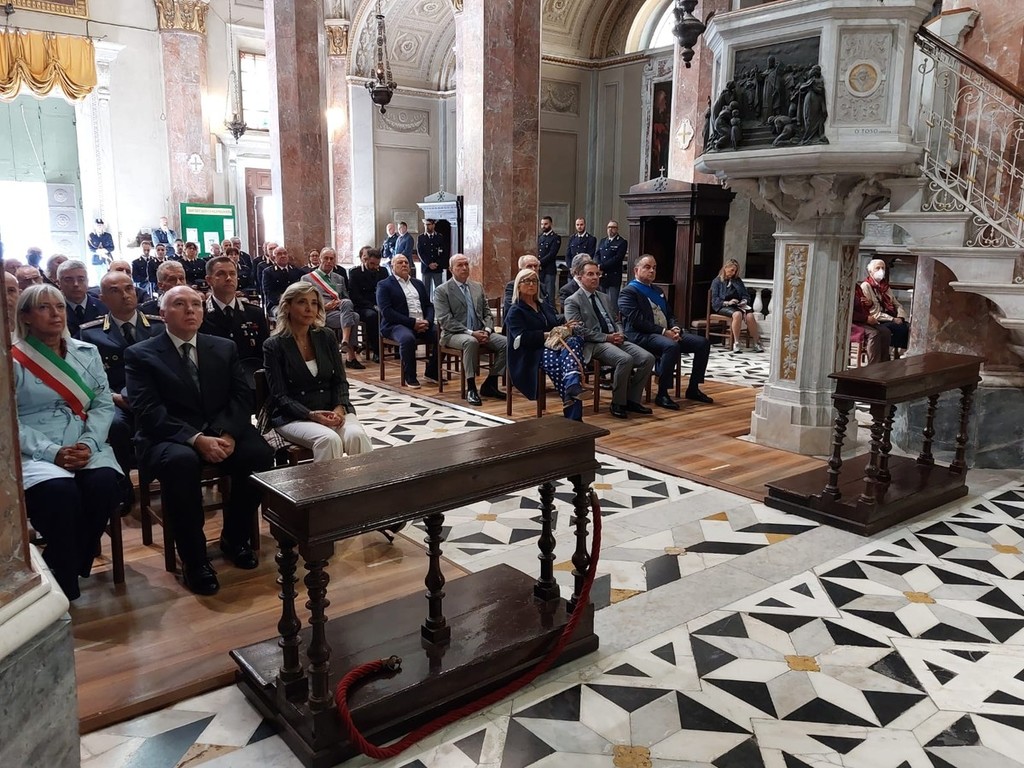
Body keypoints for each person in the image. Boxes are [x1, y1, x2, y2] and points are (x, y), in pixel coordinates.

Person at [125, 286, 275, 596]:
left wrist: (227, 433)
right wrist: (196, 439)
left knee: (259, 454)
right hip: (169, 434)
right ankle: (194, 559)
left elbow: (241, 396)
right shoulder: (141, 354)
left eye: (196, 304)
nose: (190, 310)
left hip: (220, 429)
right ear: (163, 314)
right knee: (181, 464)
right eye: (180, 304)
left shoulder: (223, 347)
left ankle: (235, 538)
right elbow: (149, 411)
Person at [13, 284, 123, 600]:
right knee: (60, 494)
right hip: (36, 448)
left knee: (104, 484)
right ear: (26, 316)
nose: (55, 314)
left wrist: (88, 444)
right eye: (44, 307)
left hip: (84, 440)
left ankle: (61, 567)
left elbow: (103, 403)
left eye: (59, 306)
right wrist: (52, 452)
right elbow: (9, 420)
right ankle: (68, 576)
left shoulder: (86, 352)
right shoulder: (12, 358)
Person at [262, 283, 372, 462]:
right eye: (302, 302)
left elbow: (340, 380)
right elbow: (280, 396)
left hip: (332, 408)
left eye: (314, 303)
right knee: (328, 440)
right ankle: (326, 482)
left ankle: (368, 481)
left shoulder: (326, 336)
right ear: (287, 306)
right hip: (294, 416)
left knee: (356, 436)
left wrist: (339, 407)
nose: (309, 308)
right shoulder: (274, 345)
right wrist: (311, 415)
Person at [80, 271, 165, 482]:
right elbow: (88, 377)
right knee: (115, 424)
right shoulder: (91, 333)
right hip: (116, 398)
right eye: (115, 291)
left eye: (129, 288)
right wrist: (113, 397)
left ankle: (169, 474)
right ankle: (123, 484)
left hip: (156, 396)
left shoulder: (158, 327)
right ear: (102, 298)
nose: (125, 295)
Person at [619, 255, 714, 409]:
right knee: (671, 346)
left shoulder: (657, 290)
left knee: (702, 343)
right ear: (636, 270)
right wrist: (664, 332)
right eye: (647, 267)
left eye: (654, 268)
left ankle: (693, 388)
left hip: (664, 334)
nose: (652, 271)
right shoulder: (628, 292)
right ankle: (662, 394)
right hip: (640, 336)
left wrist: (675, 328)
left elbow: (670, 315)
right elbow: (638, 321)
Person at [564, 259, 655, 420]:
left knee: (647, 358)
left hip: (615, 338)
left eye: (597, 274)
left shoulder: (604, 297)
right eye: (590, 274)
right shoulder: (572, 301)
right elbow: (578, 330)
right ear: (579, 276)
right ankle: (618, 403)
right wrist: (607, 337)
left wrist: (620, 333)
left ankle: (632, 400)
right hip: (594, 344)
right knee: (624, 359)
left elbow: (616, 320)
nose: (595, 278)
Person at [504, 268, 588, 421]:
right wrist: (548, 335)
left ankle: (572, 390)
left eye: (534, 281)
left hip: (552, 346)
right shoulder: (515, 310)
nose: (531, 284)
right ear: (518, 286)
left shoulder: (543, 305)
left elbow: (553, 322)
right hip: (530, 353)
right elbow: (522, 339)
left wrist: (566, 325)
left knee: (573, 343)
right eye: (527, 281)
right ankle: (574, 414)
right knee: (565, 366)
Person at [434, 254, 507, 406]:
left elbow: (487, 313)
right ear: (451, 269)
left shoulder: (477, 287)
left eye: (466, 264)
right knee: (471, 342)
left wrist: (487, 330)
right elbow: (446, 320)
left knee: (507, 343)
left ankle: (491, 383)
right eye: (460, 265)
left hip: (481, 331)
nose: (464, 268)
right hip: (454, 334)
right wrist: (471, 333)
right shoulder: (442, 290)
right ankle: (471, 388)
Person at [199, 255, 270, 390]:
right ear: (209, 280)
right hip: (213, 382)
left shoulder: (254, 313)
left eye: (232, 273)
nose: (228, 278)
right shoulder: (200, 314)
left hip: (249, 381)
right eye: (221, 274)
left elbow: (264, 353)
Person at [376, 254, 438, 389]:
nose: (404, 264)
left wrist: (428, 321)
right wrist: (412, 323)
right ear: (392, 266)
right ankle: (410, 376)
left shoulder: (418, 283)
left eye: (406, 262)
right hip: (395, 325)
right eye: (400, 262)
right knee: (407, 338)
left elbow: (429, 305)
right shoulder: (384, 285)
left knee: (442, 336)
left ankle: (432, 372)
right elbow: (387, 312)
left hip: (422, 323)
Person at [301, 247, 364, 370]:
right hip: (320, 313)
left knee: (347, 303)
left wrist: (340, 302)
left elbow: (345, 297)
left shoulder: (339, 278)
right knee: (355, 317)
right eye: (326, 258)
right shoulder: (307, 278)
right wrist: (324, 307)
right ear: (320, 259)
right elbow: (305, 303)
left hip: (339, 312)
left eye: (331, 259)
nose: (329, 261)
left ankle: (345, 341)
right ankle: (350, 355)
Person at [710, 258, 764, 353]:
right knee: (737, 314)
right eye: (732, 270)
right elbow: (715, 300)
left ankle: (757, 343)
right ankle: (736, 343)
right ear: (726, 268)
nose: (733, 273)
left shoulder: (737, 280)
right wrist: (728, 302)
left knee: (750, 316)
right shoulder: (717, 281)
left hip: (737, 305)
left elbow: (745, 295)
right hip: (723, 306)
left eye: (735, 271)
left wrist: (743, 301)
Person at [349, 246, 389, 363]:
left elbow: (387, 290)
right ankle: (377, 351)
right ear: (365, 260)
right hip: (363, 306)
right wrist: (373, 306)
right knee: (373, 316)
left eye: (377, 264)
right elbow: (355, 296)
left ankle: (397, 349)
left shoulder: (383, 271)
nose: (375, 267)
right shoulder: (355, 273)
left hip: (380, 304)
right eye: (372, 264)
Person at [860, 258, 910, 351]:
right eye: (877, 268)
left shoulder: (885, 286)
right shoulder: (866, 286)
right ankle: (889, 351)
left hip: (889, 316)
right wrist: (893, 319)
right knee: (899, 329)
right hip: (877, 319)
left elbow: (896, 304)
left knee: (908, 327)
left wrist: (901, 317)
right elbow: (874, 312)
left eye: (883, 268)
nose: (881, 271)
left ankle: (900, 351)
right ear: (870, 271)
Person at [59, 259, 108, 337]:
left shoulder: (104, 307)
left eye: (81, 279)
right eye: (69, 280)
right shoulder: (56, 312)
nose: (76, 284)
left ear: (87, 281)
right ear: (59, 283)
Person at [851, 282, 891, 365]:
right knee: (874, 334)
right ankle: (873, 366)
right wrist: (866, 319)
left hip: (863, 320)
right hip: (852, 322)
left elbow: (862, 305)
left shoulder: (856, 287)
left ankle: (884, 364)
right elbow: (848, 312)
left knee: (885, 331)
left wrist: (869, 303)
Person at [262, 246, 304, 317]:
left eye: (285, 253)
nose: (283, 256)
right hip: (277, 304)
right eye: (279, 254)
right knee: (285, 313)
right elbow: (269, 293)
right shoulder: (268, 272)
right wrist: (284, 300)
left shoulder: (296, 270)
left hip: (295, 302)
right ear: (274, 257)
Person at [595, 220, 628, 309]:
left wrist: (602, 266)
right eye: (609, 227)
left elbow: (617, 258)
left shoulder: (621, 242)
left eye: (613, 227)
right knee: (602, 303)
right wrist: (597, 265)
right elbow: (597, 254)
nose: (610, 229)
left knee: (612, 304)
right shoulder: (603, 241)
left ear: (617, 229)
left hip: (613, 277)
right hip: (602, 277)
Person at [417, 218, 449, 297]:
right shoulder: (421, 238)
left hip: (437, 268)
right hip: (426, 268)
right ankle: (427, 304)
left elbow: (443, 252)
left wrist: (437, 263)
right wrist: (429, 264)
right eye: (425, 225)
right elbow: (420, 253)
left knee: (439, 290)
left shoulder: (439, 237)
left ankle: (438, 303)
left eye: (429, 225)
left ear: (433, 225)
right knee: (426, 290)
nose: (427, 227)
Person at [537, 216, 561, 310]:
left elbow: (552, 254)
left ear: (551, 224)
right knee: (540, 294)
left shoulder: (555, 238)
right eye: (542, 224)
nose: (543, 226)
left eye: (546, 224)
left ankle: (551, 314)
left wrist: (540, 262)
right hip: (540, 270)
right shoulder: (540, 237)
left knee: (549, 295)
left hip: (549, 270)